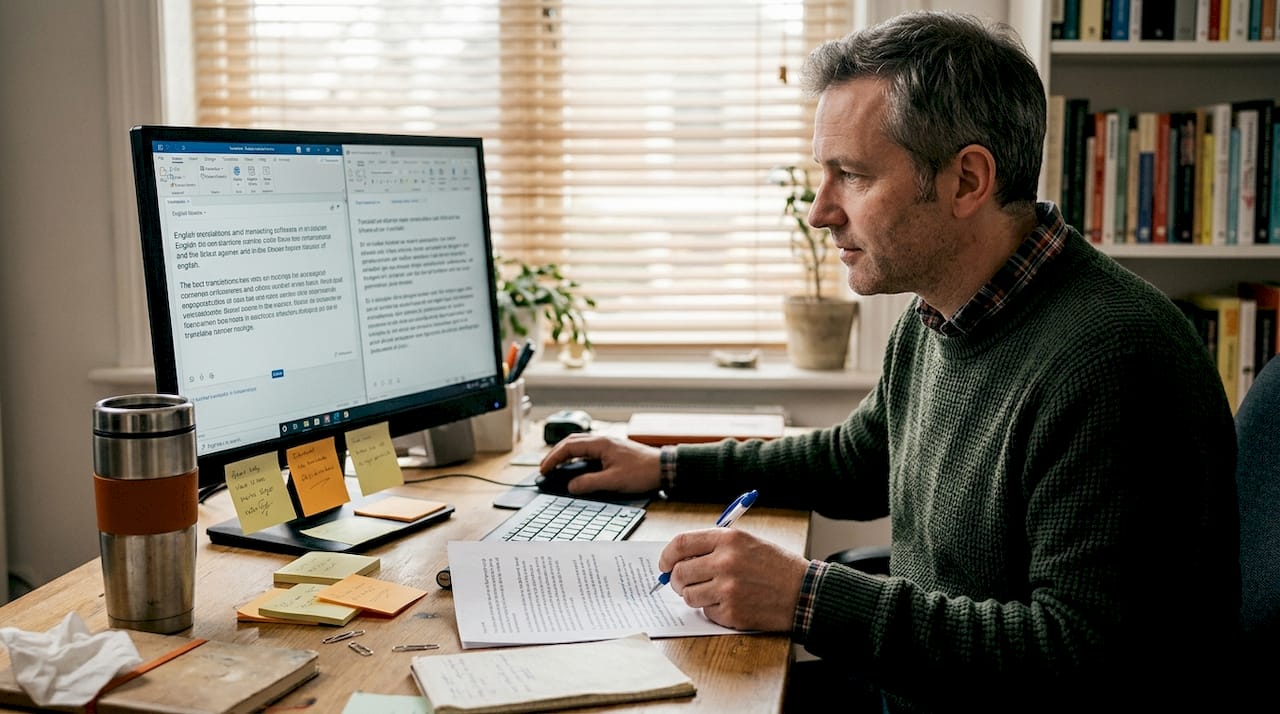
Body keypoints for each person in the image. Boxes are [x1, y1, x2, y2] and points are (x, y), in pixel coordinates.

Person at [540, 10, 1239, 713]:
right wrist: (662, 467)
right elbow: (858, 460)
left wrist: (806, 597)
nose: (820, 211)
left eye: (851, 175)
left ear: (967, 180)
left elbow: (1076, 653)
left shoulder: (1115, 363)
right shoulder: (944, 311)